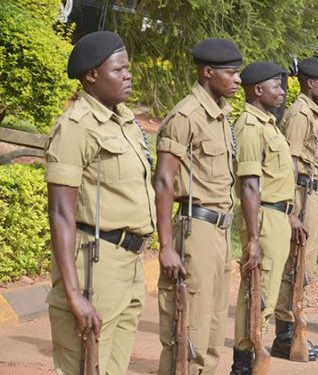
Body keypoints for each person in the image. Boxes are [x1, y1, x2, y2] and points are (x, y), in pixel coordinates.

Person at [45, 31, 155, 375]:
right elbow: (61, 212)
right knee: (86, 366)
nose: (128, 75)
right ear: (92, 75)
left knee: (113, 368)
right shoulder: (76, 126)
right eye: (119, 70)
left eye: (128, 69)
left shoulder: (125, 122)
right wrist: (75, 294)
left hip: (131, 263)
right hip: (95, 263)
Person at [154, 38, 242, 374]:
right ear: (208, 72)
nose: (237, 80)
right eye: (231, 73)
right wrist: (165, 246)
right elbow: (163, 180)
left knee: (213, 332)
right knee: (188, 332)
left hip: (220, 231)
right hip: (196, 229)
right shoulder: (185, 115)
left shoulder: (220, 116)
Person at [229, 62, 306, 374]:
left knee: (267, 294)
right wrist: (252, 238)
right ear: (258, 90)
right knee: (257, 295)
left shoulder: (269, 124)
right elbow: (249, 185)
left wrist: (289, 215)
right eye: (277, 86)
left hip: (277, 216)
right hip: (262, 220)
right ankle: (244, 364)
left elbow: (275, 180)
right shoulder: (249, 126)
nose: (282, 92)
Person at [271, 57, 318, 361]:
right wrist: (294, 212)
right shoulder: (300, 114)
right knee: (295, 268)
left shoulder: (313, 113)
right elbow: (292, 165)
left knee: (305, 268)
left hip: (315, 197)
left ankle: (294, 332)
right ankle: (286, 337)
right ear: (310, 83)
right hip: (302, 196)